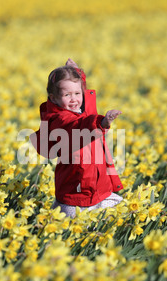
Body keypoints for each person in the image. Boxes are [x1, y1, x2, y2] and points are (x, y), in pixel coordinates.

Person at [30, 58, 123, 218]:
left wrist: (77, 74)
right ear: (53, 98)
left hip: (98, 189)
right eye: (67, 95)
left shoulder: (79, 109)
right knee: (71, 228)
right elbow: (78, 126)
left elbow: (85, 102)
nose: (74, 99)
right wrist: (101, 122)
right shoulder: (59, 120)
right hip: (77, 192)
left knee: (119, 218)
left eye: (77, 93)